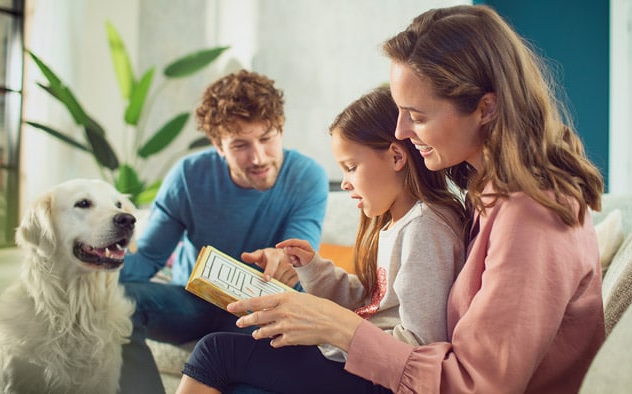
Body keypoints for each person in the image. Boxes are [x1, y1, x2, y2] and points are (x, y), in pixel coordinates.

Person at [200, 5, 607, 394]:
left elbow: (480, 385)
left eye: (418, 115)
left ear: (486, 108)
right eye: (399, 112)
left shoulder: (532, 216)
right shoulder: (485, 197)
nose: (400, 130)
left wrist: (337, 326)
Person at [175, 86, 468, 393]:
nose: (344, 183)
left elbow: (422, 346)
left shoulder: (424, 228)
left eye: (351, 168)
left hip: (378, 378)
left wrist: (332, 331)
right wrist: (314, 269)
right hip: (360, 362)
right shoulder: (398, 224)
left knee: (216, 352)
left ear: (396, 156)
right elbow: (375, 302)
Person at [118, 69, 329, 393]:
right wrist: (81, 272)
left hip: (260, 309)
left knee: (245, 380)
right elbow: (148, 257)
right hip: (191, 303)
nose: (258, 157)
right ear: (218, 145)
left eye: (266, 138)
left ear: (281, 129)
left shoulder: (307, 177)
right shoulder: (189, 176)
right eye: (241, 144)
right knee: (111, 302)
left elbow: (299, 252)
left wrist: (286, 258)